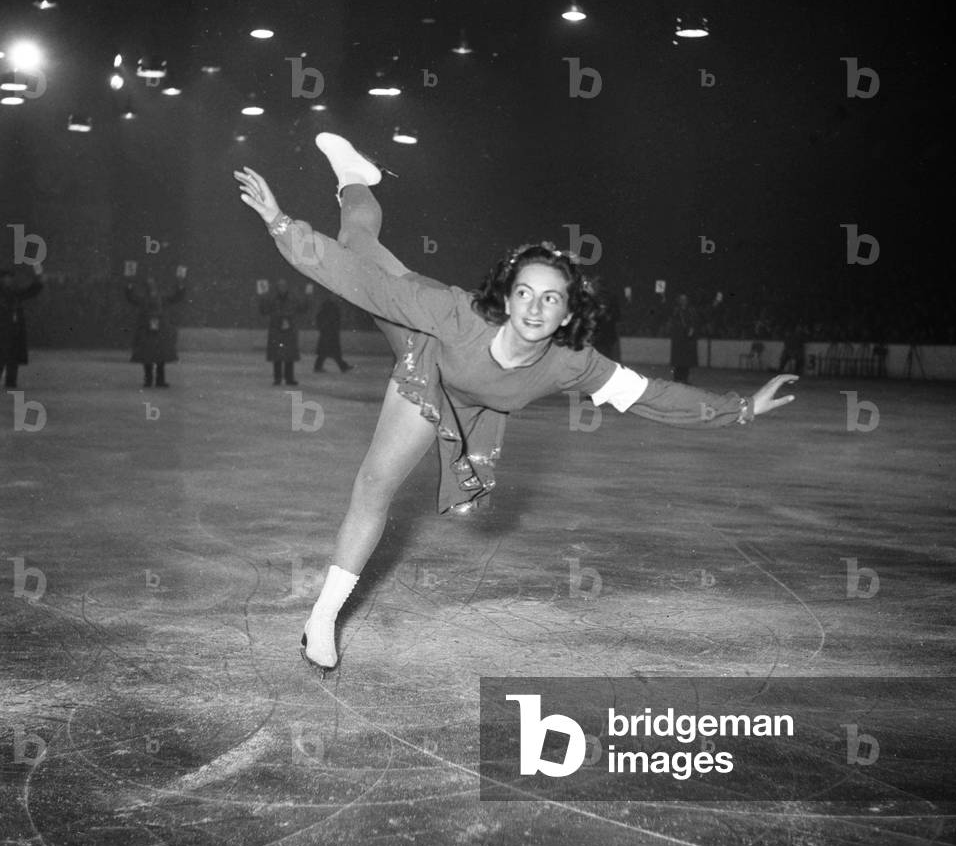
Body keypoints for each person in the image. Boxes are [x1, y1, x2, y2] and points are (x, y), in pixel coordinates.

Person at [233, 134, 797, 678]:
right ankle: (323, 617)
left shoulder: (574, 362)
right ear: (507, 296)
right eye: (525, 292)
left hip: (471, 401)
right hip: (425, 350)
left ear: (568, 315)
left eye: (551, 298)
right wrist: (281, 224)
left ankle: (357, 178)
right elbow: (353, 279)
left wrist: (741, 408)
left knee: (365, 248)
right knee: (359, 261)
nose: (534, 307)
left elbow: (651, 396)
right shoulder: (455, 313)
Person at [125, 268, 186, 388]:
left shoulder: (159, 298)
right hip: (149, 330)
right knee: (149, 356)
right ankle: (150, 380)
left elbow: (176, 297)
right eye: (150, 285)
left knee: (158, 357)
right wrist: (129, 285)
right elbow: (131, 297)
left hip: (158, 330)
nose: (152, 287)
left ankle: (158, 380)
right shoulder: (146, 299)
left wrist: (180, 285)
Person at [259, 278, 311, 386]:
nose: (282, 288)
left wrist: (308, 297)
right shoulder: (273, 299)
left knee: (288, 357)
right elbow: (264, 310)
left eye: (283, 286)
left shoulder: (291, 299)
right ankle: (278, 378)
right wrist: (262, 297)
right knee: (278, 357)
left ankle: (289, 378)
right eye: (280, 286)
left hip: (288, 331)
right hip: (278, 330)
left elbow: (302, 308)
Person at [0, 263, 44, 390]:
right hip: (3, 331)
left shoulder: (13, 292)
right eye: (5, 277)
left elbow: (30, 291)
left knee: (12, 359)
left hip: (13, 331)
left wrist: (38, 280)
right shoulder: (7, 293)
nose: (8, 280)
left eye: (10, 277)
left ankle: (11, 383)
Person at [314, 294, 353, 373]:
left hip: (329, 332)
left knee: (326, 352)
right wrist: (324, 327)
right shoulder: (329, 307)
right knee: (331, 352)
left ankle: (318, 367)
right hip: (329, 332)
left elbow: (320, 318)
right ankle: (342, 367)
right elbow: (321, 318)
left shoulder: (329, 307)